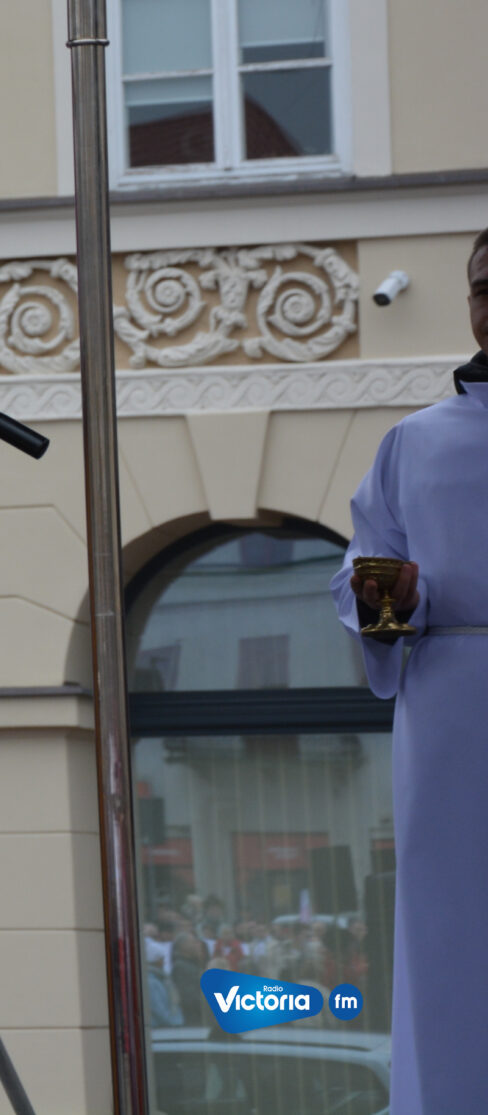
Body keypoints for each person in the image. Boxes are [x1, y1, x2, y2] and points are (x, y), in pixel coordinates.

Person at [328, 226, 488, 1115]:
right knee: (452, 931)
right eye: (483, 286)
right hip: (452, 719)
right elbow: (367, 574)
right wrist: (389, 593)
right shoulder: (413, 443)